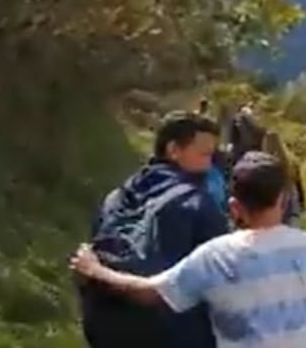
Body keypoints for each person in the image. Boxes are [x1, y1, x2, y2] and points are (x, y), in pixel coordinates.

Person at [73, 151, 306, 348]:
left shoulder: (215, 256)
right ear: (284, 200)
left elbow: (149, 293)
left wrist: (96, 269)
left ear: (234, 207)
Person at [80, 112, 230, 348]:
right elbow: (223, 279)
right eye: (204, 154)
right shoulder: (198, 203)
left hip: (106, 328)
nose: (209, 164)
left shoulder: (117, 197)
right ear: (174, 150)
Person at [260, 130, 306, 226]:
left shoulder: (264, 164)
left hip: (275, 202)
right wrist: (302, 203)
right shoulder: (291, 161)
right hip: (292, 198)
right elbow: (299, 183)